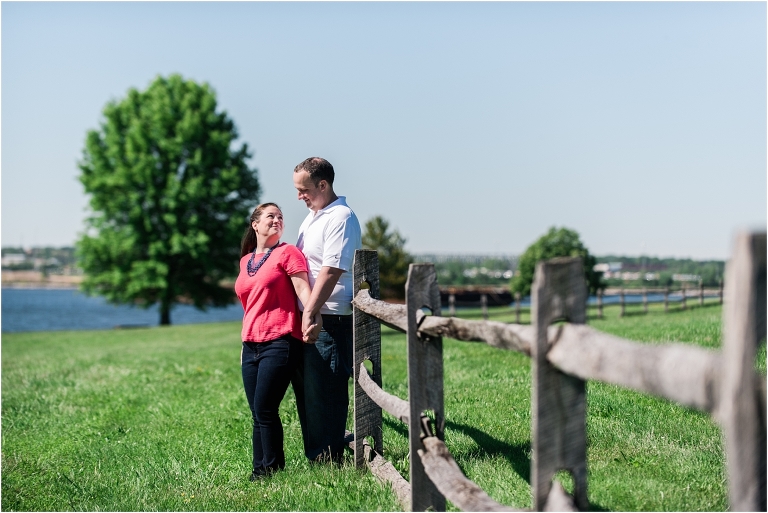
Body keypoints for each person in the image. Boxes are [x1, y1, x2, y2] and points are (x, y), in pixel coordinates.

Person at [234, 202, 320, 481]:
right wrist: (244, 344)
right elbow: (250, 306)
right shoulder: (246, 261)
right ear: (255, 224)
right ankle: (262, 467)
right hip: (251, 344)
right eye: (270, 216)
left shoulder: (288, 253)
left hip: (281, 340)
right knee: (256, 412)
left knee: (265, 408)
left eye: (280, 217)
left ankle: (267, 470)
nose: (277, 220)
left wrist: (313, 317)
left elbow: (303, 291)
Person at [291, 157, 362, 464]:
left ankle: (330, 458)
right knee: (309, 390)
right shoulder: (313, 217)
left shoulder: (341, 217)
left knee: (326, 388)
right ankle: (318, 455)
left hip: (329, 317)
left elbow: (331, 271)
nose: (299, 196)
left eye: (304, 189)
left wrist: (311, 311)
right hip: (313, 312)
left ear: (323, 185)